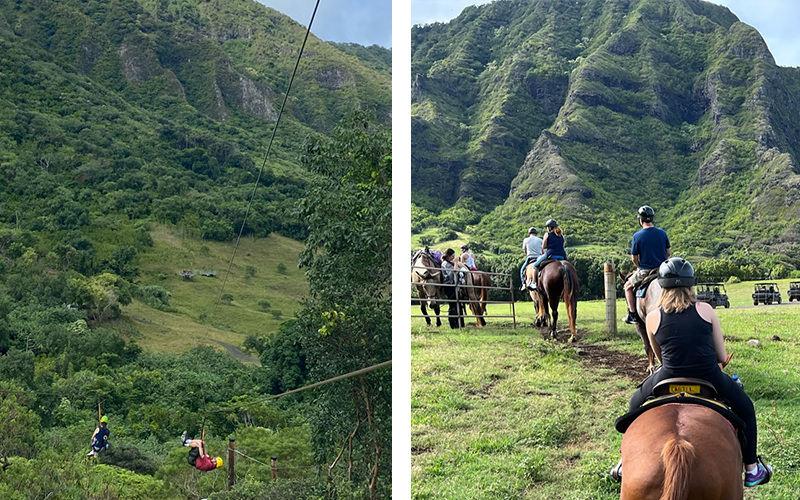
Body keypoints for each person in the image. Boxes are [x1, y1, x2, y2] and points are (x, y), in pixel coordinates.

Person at [611, 258, 772, 486]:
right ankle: (753, 469)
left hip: (668, 376)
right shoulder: (705, 310)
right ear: (690, 285)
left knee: (634, 403)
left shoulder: (653, 317)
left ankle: (623, 461)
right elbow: (720, 355)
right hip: (709, 376)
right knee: (746, 408)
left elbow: (659, 357)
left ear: (662, 285)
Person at [622, 205, 671, 324]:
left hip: (645, 270)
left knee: (627, 287)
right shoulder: (662, 233)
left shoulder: (637, 236)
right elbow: (668, 252)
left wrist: (639, 266)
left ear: (640, 220)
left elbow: (634, 258)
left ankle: (632, 314)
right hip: (663, 269)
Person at [528, 219, 566, 290]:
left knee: (535, 265)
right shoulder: (561, 236)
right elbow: (563, 246)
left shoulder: (547, 234)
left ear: (549, 227)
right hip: (562, 255)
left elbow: (543, 246)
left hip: (551, 254)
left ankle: (534, 283)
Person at [440, 248, 463, 329]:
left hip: (454, 286)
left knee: (458, 305)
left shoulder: (448, 263)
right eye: (453, 256)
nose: (454, 257)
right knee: (453, 305)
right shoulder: (446, 264)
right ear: (449, 256)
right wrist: (456, 263)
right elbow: (453, 274)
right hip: (450, 286)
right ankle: (453, 325)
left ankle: (460, 323)